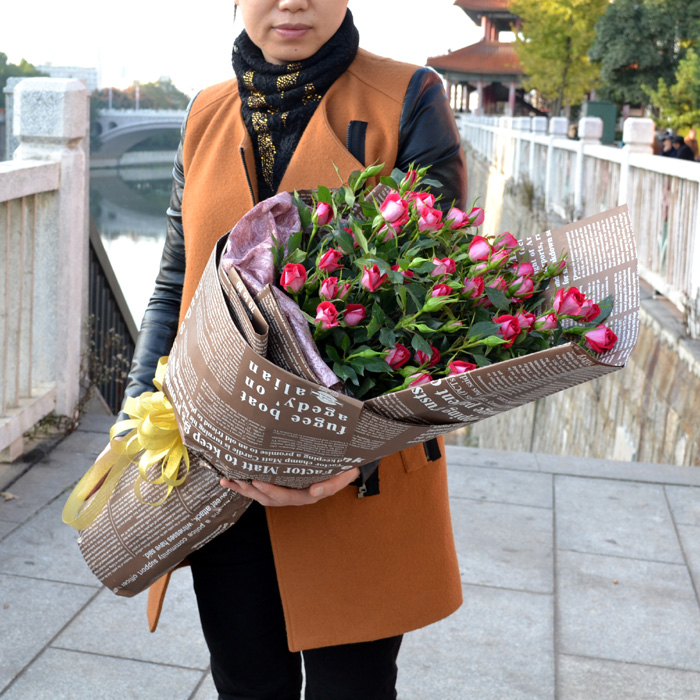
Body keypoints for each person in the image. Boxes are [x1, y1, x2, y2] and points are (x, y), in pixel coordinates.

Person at [120, 1, 467, 698]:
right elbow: (174, 286)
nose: (292, 2)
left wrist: (342, 454)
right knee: (246, 684)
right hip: (221, 479)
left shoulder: (411, 98)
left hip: (358, 481)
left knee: (354, 689)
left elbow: (443, 305)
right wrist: (135, 413)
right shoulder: (206, 114)